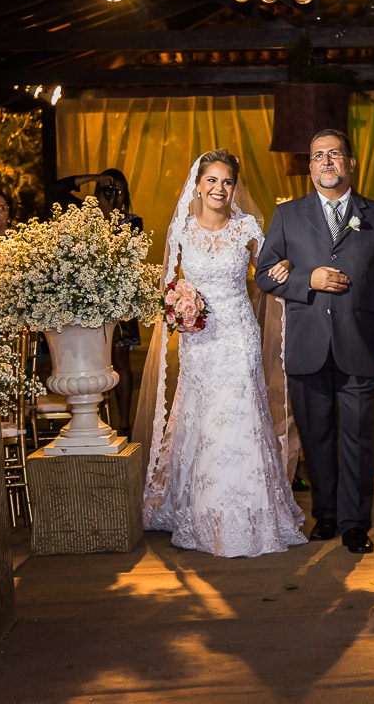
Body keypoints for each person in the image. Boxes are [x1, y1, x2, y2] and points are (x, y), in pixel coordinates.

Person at [136, 149, 306, 558]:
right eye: (211, 180)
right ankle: (196, 509)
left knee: (240, 411)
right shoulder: (180, 231)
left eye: (226, 182)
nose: (219, 188)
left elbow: (265, 273)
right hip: (198, 340)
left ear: (235, 187)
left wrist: (282, 269)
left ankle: (250, 513)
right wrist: (177, 306)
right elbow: (167, 288)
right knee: (201, 412)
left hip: (238, 335)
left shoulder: (247, 227)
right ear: (197, 185)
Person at [255, 129, 374, 555]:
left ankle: (356, 523)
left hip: (361, 343)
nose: (325, 162)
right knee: (316, 435)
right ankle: (327, 515)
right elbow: (265, 274)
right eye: (318, 155)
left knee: (357, 436)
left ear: (350, 163)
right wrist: (308, 279)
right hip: (308, 344)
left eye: (334, 154)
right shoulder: (287, 216)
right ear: (309, 165)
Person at [52, 168, 145, 433]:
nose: (111, 195)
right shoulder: (83, 214)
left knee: (121, 360)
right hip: (89, 301)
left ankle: (124, 422)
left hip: (121, 297)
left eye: (117, 190)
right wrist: (92, 178)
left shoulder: (132, 222)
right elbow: (56, 190)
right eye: (107, 189)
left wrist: (109, 214)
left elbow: (129, 255)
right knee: (93, 360)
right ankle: (95, 419)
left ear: (125, 194)